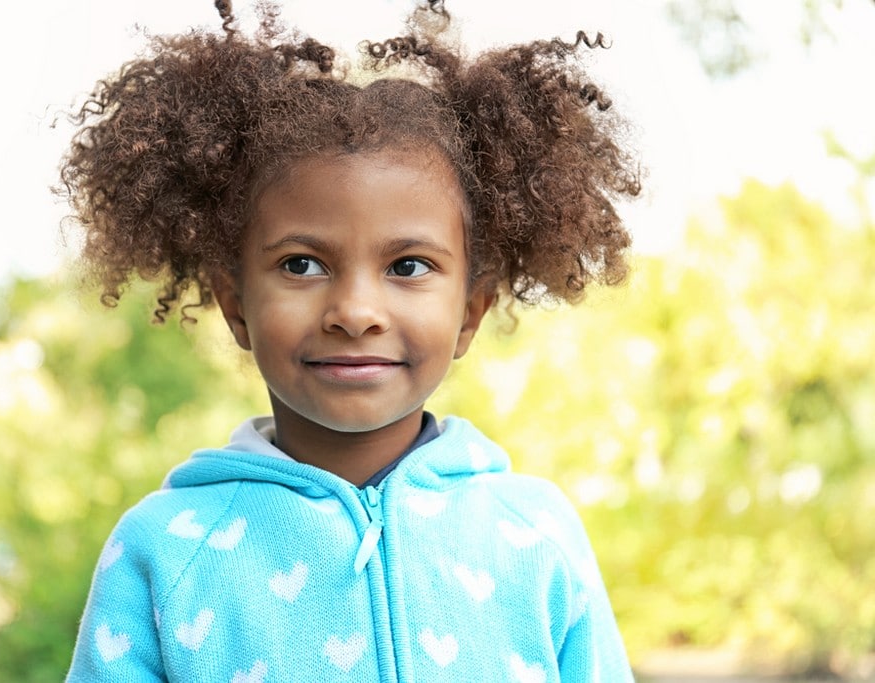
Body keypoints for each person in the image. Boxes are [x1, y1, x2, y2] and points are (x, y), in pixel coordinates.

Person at [61, 0, 641, 680]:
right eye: (302, 264)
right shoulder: (162, 551)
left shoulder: (537, 536)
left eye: (408, 266)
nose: (356, 310)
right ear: (234, 303)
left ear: (470, 312)